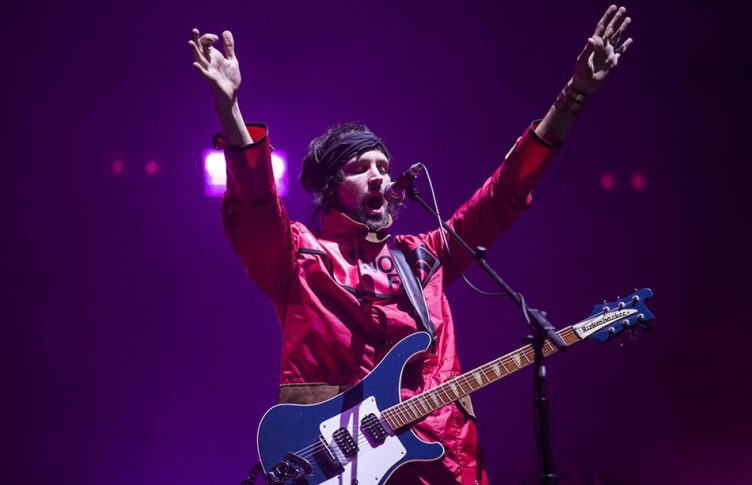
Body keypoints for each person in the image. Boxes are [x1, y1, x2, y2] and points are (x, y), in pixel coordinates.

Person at [188, 5, 632, 484]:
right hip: (337, 468)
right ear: (330, 188)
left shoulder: (425, 255)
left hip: (446, 461)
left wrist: (573, 97)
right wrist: (230, 111)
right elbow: (254, 205)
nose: (379, 173)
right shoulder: (299, 257)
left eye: (383, 164)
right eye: (361, 167)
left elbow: (504, 193)